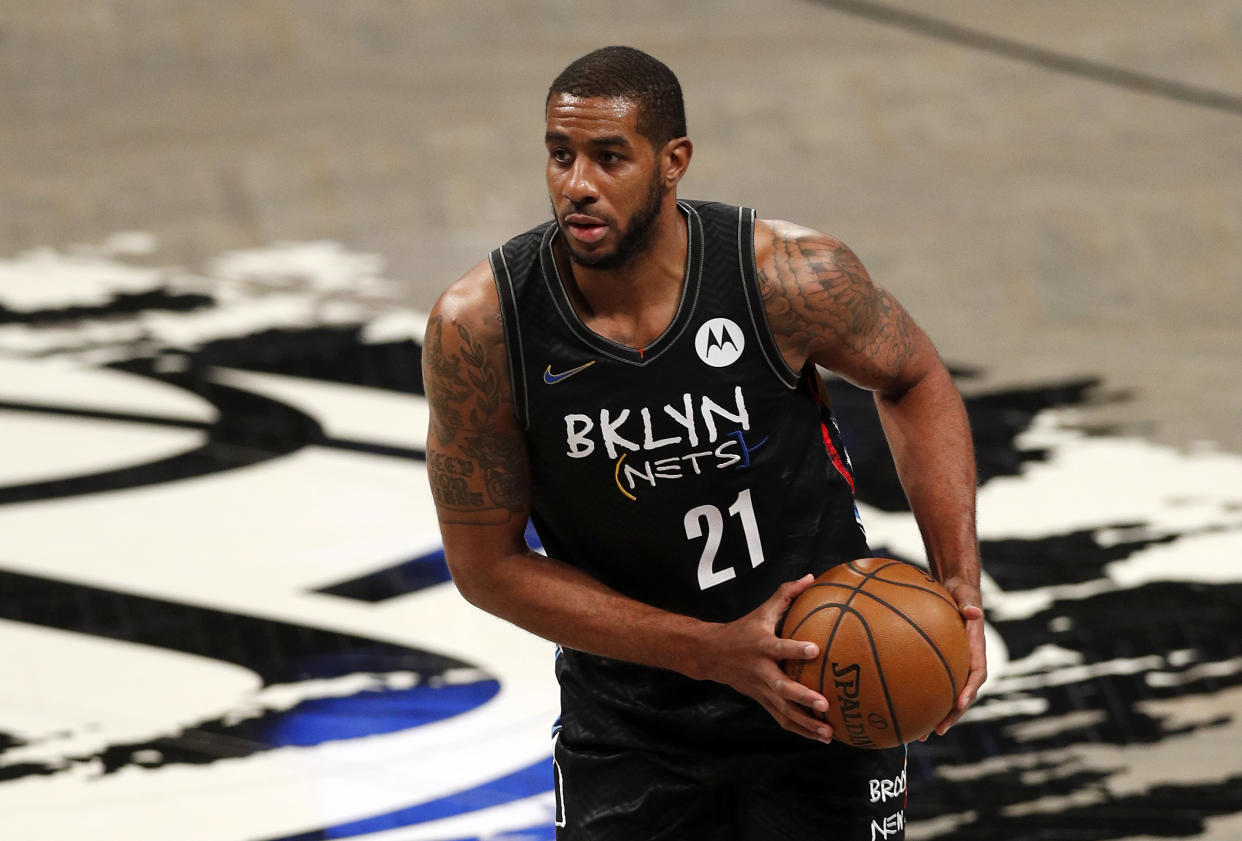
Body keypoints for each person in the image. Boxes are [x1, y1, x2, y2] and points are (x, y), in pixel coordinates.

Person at [423, 45, 986, 840]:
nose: (576, 183)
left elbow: (916, 379)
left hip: (824, 687)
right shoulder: (480, 328)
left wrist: (959, 582)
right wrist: (710, 650)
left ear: (673, 160)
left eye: (608, 157)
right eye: (560, 154)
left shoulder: (785, 278)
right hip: (631, 715)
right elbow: (487, 566)